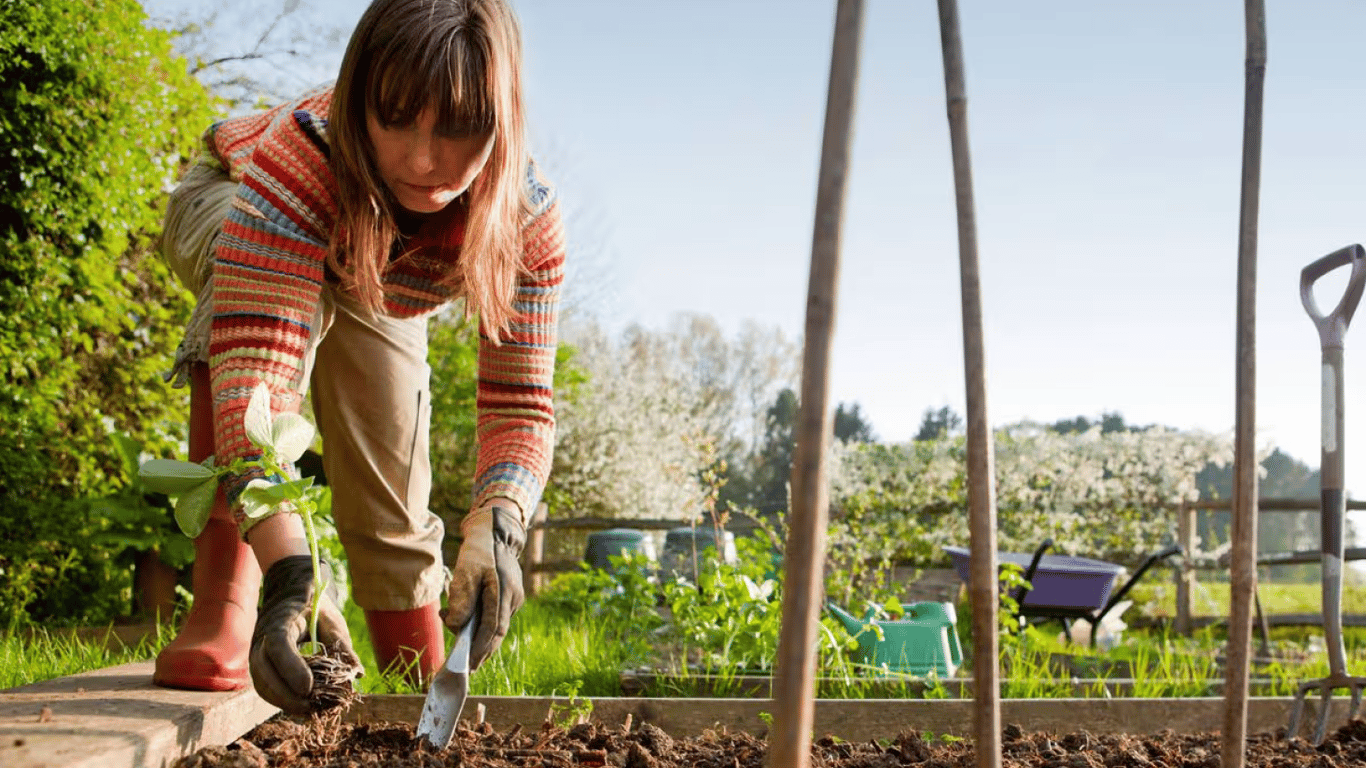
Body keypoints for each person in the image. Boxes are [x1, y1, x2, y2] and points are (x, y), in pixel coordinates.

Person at [152, 0, 563, 715]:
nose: (423, 159)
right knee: (266, 318)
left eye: (460, 127)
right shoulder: (302, 153)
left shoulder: (527, 218)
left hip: (374, 277)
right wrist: (289, 570)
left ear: (504, 117)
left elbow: (519, 407)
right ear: (359, 98)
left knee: (393, 449)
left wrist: (497, 524)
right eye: (395, 117)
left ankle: (418, 674)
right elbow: (257, 370)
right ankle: (227, 599)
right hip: (232, 195)